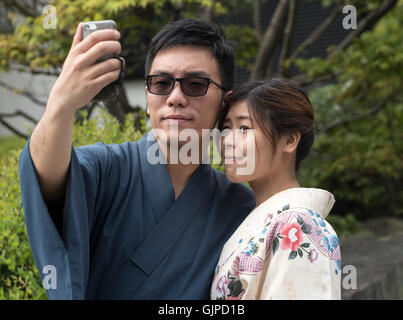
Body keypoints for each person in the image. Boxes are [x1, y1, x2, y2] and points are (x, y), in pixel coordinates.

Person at [18, 19, 255, 299]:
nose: (175, 97)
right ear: (147, 97)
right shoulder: (107, 167)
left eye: (195, 84)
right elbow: (46, 174)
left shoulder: (238, 207)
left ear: (224, 103)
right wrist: (61, 105)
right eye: (162, 83)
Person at [211, 79, 341, 300]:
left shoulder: (299, 226)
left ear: (289, 140)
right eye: (226, 128)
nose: (227, 141)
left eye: (244, 128)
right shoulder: (261, 220)